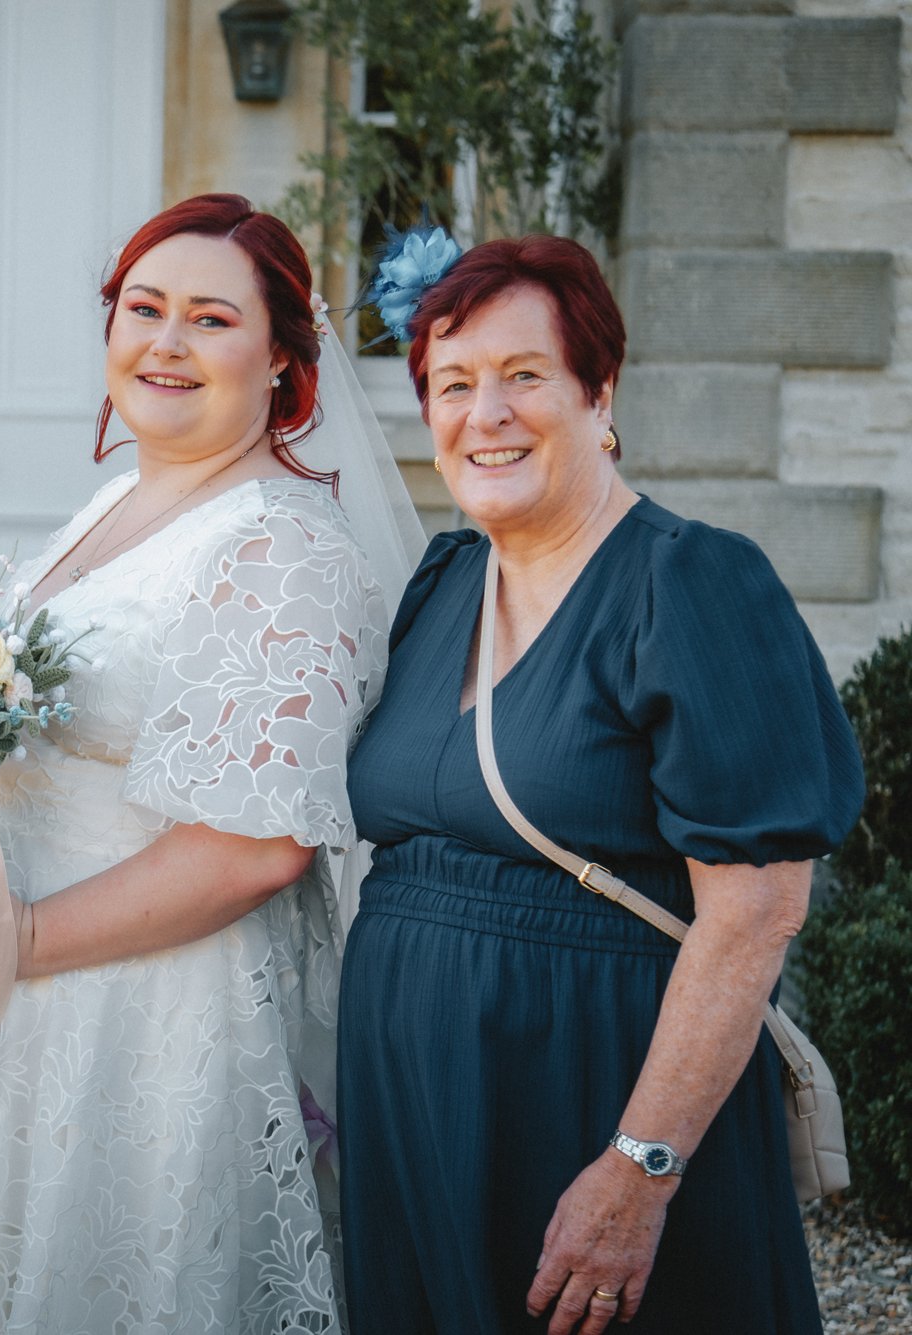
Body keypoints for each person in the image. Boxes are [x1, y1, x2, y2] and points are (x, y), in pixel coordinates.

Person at [0, 193, 418, 1334]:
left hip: (142, 1018)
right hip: (9, 1004)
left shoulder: (285, 548)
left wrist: (33, 941)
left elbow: (258, 845)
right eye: (141, 308)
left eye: (209, 319)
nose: (163, 342)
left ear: (279, 363)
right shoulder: (116, 501)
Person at [337, 235, 863, 1334]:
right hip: (417, 1118)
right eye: (451, 383)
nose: (484, 413)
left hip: (588, 1101)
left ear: (596, 390)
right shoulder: (442, 580)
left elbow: (758, 909)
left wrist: (639, 1167)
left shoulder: (692, 583)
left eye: (522, 376)